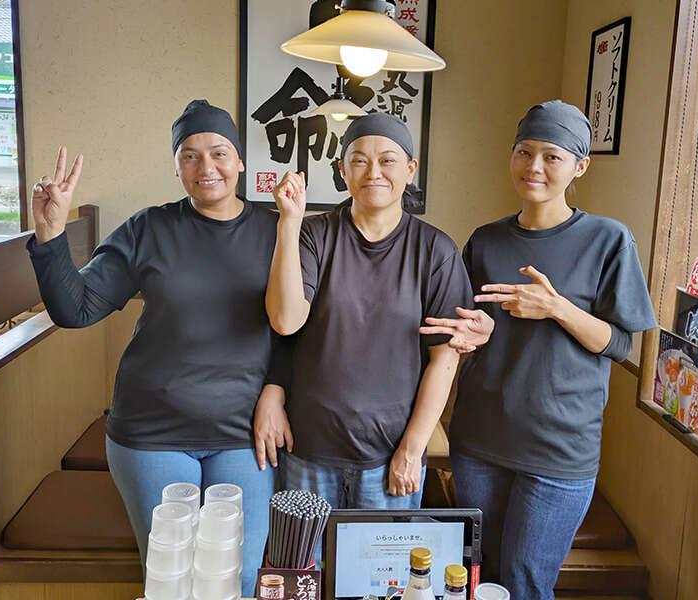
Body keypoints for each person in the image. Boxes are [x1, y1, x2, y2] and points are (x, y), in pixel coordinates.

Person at [27, 99, 291, 597]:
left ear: (240, 161)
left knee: (239, 574)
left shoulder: (276, 230)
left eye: (218, 152)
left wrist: (276, 389)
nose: (205, 167)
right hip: (151, 432)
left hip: (243, 433)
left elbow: (295, 327)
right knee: (171, 580)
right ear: (176, 167)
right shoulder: (148, 228)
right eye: (189, 156)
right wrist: (50, 235)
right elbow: (75, 309)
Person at [442, 100, 656, 599]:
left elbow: (620, 344)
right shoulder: (487, 240)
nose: (533, 167)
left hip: (560, 447)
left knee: (525, 579)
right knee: (482, 574)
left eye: (551, 156)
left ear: (579, 165)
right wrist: (475, 333)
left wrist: (556, 307)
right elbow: (470, 327)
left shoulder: (608, 240)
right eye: (524, 152)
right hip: (479, 439)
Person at [265, 112, 493, 510]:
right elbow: (286, 321)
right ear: (343, 171)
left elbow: (444, 359)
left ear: (410, 169)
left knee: (382, 573)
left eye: (387, 160)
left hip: (390, 454)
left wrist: (412, 449)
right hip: (310, 448)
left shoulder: (435, 251)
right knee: (307, 569)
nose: (373, 172)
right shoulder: (315, 235)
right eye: (358, 160)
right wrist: (289, 222)